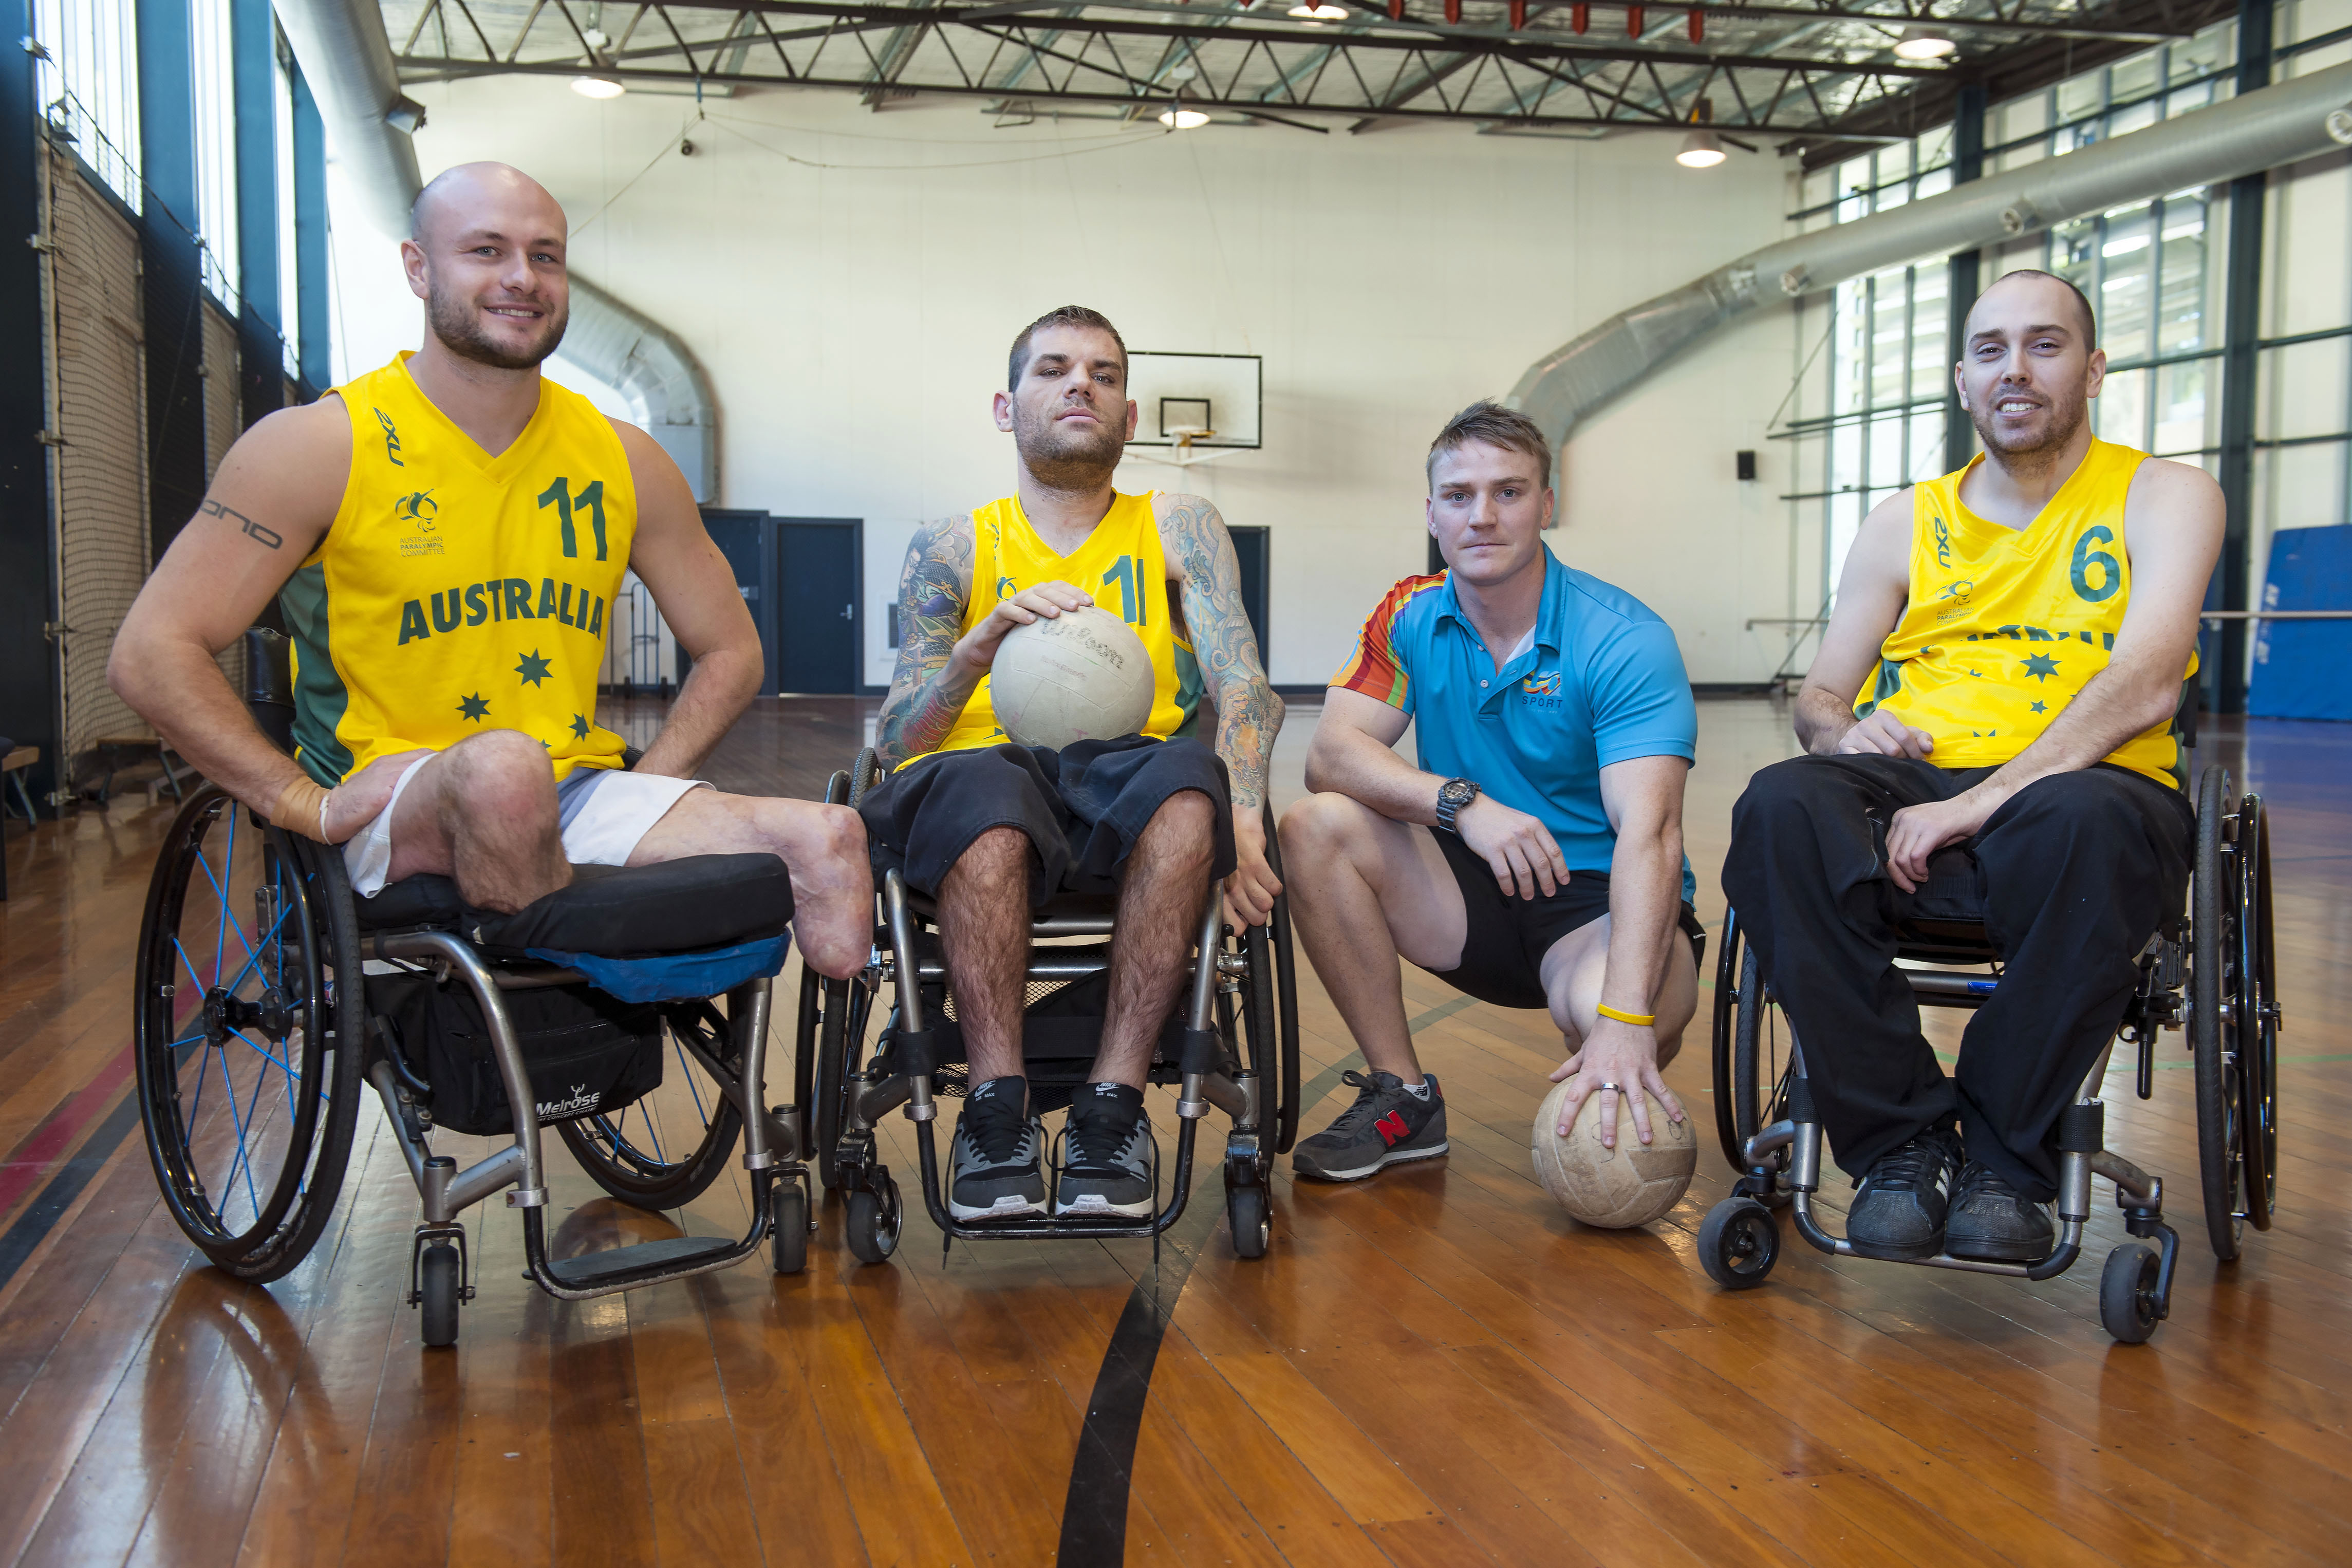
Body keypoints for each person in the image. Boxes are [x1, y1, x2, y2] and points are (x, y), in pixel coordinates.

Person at [108, 162, 872, 981]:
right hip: (389, 801)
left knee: (829, 838)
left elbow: (731, 653)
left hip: (569, 789)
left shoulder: (624, 459)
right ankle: (552, 1043)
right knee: (505, 769)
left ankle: (847, 1111)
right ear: (417, 267)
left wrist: (649, 786)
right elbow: (152, 652)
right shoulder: (318, 446)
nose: (522, 277)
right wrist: (304, 804)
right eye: (486, 250)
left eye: (546, 256)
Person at [1721, 270, 2220, 1262]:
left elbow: (2147, 683)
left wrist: (1982, 803)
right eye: (1990, 350)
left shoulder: (2162, 494)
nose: (2016, 370)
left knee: (2083, 819)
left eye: (2045, 345)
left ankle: (2003, 1159)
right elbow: (1818, 697)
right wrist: (1840, 733)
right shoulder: (1904, 520)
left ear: (2093, 368)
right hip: (1918, 783)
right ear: (1961, 381)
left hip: (2093, 790)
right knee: (1779, 803)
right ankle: (1903, 1144)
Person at [864, 305, 1282, 1221]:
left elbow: (1245, 687)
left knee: (1188, 786)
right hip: (980, 774)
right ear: (1006, 408)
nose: (1079, 384)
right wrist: (970, 655)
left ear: (1131, 416)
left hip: (1125, 777)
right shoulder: (954, 544)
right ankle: (995, 1107)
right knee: (988, 796)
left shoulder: (1178, 526)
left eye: (1102, 372)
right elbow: (893, 746)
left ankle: (1113, 1106)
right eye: (1052, 369)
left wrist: (1247, 823)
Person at [1279, 401, 1699, 1181]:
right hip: (1466, 889)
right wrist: (1460, 805)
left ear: (1548, 505)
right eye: (1459, 495)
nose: (1482, 516)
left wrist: (1622, 1020)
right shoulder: (1408, 612)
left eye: (1508, 492)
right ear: (1431, 511)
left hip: (1599, 905)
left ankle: (1615, 1063)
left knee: (1607, 1017)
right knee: (1316, 825)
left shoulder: (1623, 638)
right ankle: (1402, 1097)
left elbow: (1652, 836)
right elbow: (1331, 754)